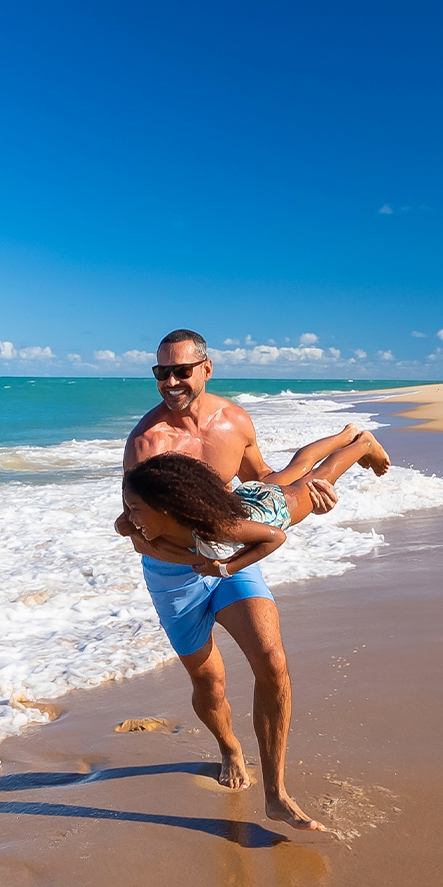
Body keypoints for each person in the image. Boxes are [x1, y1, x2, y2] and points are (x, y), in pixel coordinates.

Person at [114, 328, 337, 832]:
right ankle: (228, 747)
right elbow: (132, 529)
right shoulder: (147, 443)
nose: (170, 381)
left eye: (181, 370)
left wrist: (312, 491)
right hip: (175, 575)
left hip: (232, 564)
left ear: (206, 369)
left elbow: (262, 482)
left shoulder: (234, 420)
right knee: (210, 683)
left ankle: (276, 793)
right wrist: (192, 556)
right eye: (161, 372)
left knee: (272, 660)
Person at [123, 425, 391, 575]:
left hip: (277, 509)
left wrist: (228, 568)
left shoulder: (217, 528)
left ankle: (363, 444)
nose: (131, 518)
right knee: (298, 467)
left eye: (135, 510)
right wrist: (125, 523)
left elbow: (275, 536)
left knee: (320, 476)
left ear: (166, 509)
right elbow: (124, 527)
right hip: (246, 497)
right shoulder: (179, 517)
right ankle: (345, 435)